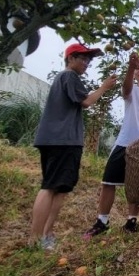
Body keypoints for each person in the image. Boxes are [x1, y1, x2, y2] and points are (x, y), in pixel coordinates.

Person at [30, 43, 117, 250]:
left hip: (61, 140)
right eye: (82, 58)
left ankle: (47, 234)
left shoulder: (65, 78)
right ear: (70, 59)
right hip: (62, 140)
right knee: (50, 186)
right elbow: (86, 102)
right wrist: (104, 87)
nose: (86, 63)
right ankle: (34, 240)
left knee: (60, 188)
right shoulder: (69, 76)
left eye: (88, 59)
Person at [83, 53, 139, 239]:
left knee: (136, 185)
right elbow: (125, 88)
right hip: (124, 142)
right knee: (108, 182)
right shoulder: (132, 91)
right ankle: (102, 221)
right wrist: (131, 67)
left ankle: (131, 220)